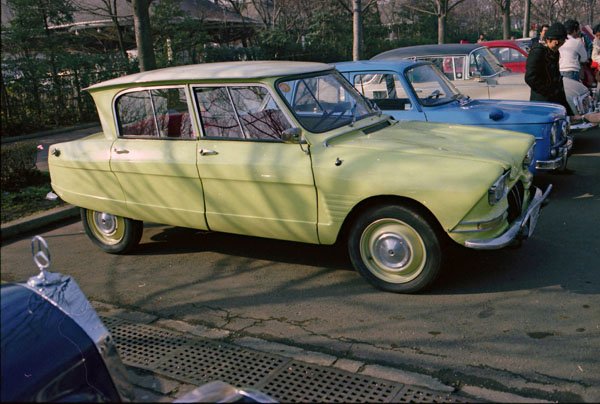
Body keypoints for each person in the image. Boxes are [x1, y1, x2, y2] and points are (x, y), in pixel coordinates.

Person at [525, 22, 574, 115]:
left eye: (560, 44)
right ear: (547, 40)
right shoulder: (537, 52)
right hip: (542, 101)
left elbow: (556, 77)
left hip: (555, 99)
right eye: (556, 44)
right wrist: (547, 91)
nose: (558, 47)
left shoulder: (555, 52)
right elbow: (530, 77)